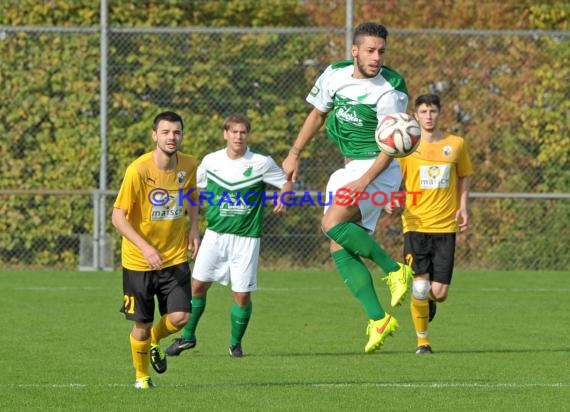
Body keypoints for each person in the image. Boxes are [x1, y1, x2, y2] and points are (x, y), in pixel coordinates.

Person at [282, 22, 414, 353]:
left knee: (332, 224)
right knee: (337, 245)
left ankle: (395, 270)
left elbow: (391, 147)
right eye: (370, 50)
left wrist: (364, 181)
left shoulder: (390, 89)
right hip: (349, 166)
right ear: (354, 51)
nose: (377, 57)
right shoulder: (334, 74)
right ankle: (378, 318)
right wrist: (294, 153)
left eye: (381, 51)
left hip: (376, 169)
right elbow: (316, 115)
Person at [165, 113, 293, 358]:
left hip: (247, 239)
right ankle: (188, 338)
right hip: (215, 236)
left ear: (248, 135)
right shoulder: (212, 161)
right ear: (225, 134)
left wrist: (284, 197)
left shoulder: (261, 162)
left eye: (243, 132)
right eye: (233, 132)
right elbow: (192, 187)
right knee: (198, 286)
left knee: (242, 295)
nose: (238, 136)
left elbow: (286, 182)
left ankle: (235, 343)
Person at [111, 111, 200, 389]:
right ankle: (142, 377)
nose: (171, 137)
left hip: (173, 257)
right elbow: (117, 217)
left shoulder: (189, 164)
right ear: (154, 136)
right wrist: (145, 247)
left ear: (182, 135)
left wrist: (194, 229)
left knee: (180, 317)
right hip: (139, 261)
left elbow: (192, 196)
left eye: (176, 132)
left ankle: (154, 341)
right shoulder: (138, 170)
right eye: (165, 132)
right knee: (141, 324)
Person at [385, 94, 473, 354]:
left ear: (439, 113)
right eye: (423, 111)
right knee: (421, 286)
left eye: (432, 111)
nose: (428, 116)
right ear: (415, 115)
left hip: (446, 227)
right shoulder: (407, 147)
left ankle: (426, 302)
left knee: (440, 292)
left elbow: (464, 175)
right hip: (415, 224)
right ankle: (423, 342)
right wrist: (391, 201)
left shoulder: (455, 144)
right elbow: (394, 183)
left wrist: (463, 206)